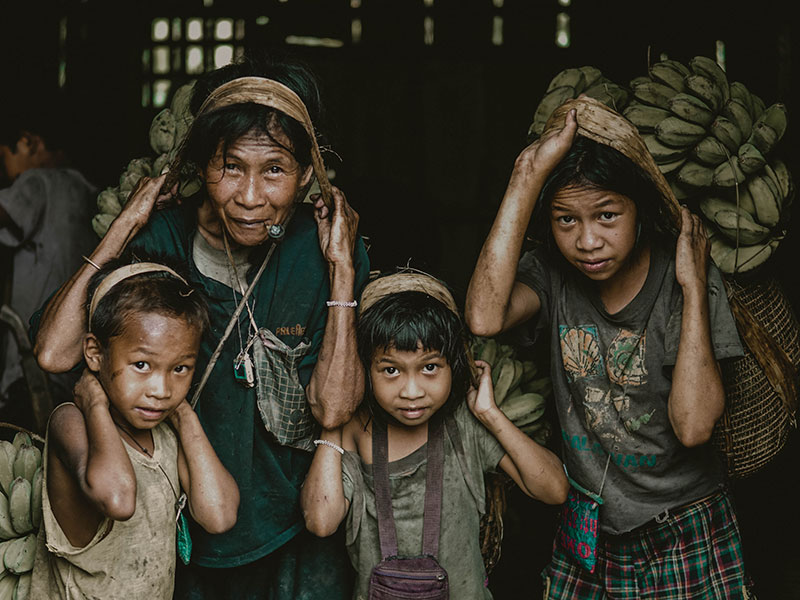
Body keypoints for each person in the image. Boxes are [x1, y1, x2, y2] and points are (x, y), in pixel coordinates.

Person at [32, 51, 370, 599]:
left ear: (307, 175)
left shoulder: (323, 250)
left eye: (275, 171)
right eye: (230, 166)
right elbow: (54, 354)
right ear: (200, 165)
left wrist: (342, 274)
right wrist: (125, 226)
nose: (251, 197)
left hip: (292, 527)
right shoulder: (161, 240)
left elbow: (332, 410)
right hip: (178, 530)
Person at [464, 96, 753, 599]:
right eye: (565, 220)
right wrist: (525, 178)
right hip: (589, 526)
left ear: (639, 211)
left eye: (606, 215)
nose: (588, 241)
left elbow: (694, 425)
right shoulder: (553, 276)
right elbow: (484, 317)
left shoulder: (682, 280)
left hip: (684, 527)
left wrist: (691, 287)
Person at [300, 271, 568, 599]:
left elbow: (554, 491)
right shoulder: (355, 431)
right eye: (391, 370)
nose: (412, 392)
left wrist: (490, 414)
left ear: (453, 366)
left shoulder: (465, 426)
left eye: (429, 367)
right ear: (365, 372)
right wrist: (334, 418)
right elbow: (320, 521)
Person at [30, 259, 240, 599]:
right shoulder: (70, 422)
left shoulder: (168, 434)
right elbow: (118, 499)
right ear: (95, 353)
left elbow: (218, 516)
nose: (160, 388)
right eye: (142, 365)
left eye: (180, 368)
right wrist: (94, 404)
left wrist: (184, 413)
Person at [0, 102, 97, 423]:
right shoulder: (84, 187)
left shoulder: (36, 182)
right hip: (73, 349)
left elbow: (7, 213)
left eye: (5, 156)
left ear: (29, 142)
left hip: (35, 349)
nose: (7, 170)